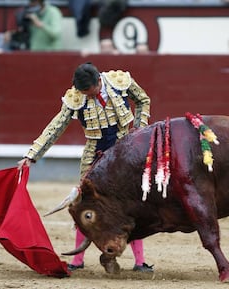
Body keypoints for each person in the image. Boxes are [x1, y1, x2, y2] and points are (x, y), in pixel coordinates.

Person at [17, 63, 153, 273]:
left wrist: (139, 131)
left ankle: (140, 262)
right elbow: (56, 125)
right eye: (84, 93)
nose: (88, 96)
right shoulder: (75, 97)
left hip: (124, 149)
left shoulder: (118, 82)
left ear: (99, 81)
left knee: (131, 201)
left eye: (91, 92)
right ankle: (78, 259)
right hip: (94, 154)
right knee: (85, 203)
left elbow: (143, 100)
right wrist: (31, 156)